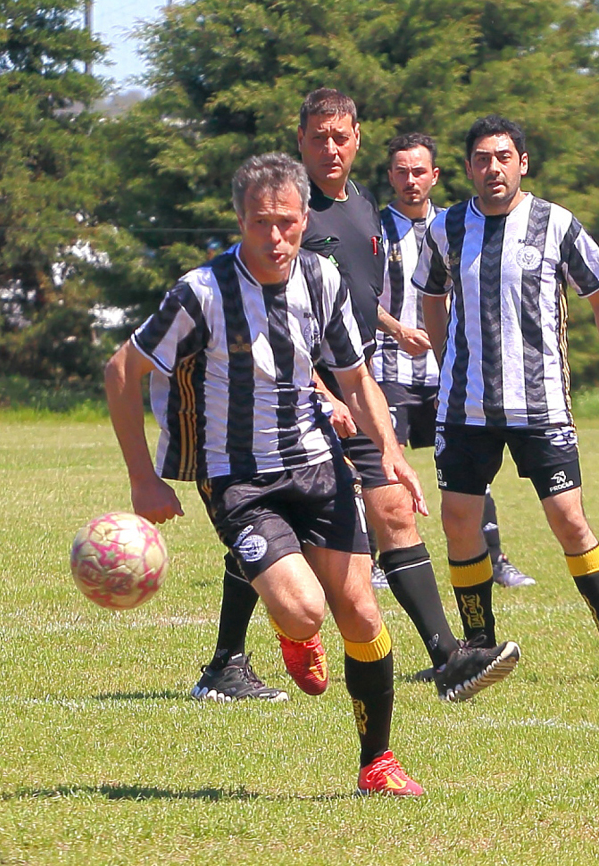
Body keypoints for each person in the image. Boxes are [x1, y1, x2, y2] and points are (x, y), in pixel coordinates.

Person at [105, 151, 426, 795]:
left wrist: (390, 449)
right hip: (238, 478)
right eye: (260, 223)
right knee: (307, 613)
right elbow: (121, 371)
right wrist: (144, 479)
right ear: (240, 221)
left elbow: (354, 377)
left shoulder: (324, 279)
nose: (275, 236)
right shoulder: (201, 292)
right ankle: (294, 631)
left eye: (286, 221)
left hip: (316, 464)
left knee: (361, 611)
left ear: (305, 217)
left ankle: (378, 765)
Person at [192, 89, 520, 704]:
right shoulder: (289, 210)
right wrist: (321, 390)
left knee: (393, 507)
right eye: (318, 136)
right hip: (297, 399)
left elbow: (356, 304)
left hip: (359, 383)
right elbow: (272, 320)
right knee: (272, 516)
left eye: (340, 135)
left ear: (359, 138)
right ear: (300, 141)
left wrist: (395, 332)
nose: (331, 147)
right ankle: (227, 662)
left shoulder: (365, 207)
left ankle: (447, 660)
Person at [415, 114, 599, 649]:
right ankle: (478, 643)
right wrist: (447, 356)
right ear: (468, 168)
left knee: (569, 522)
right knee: (458, 521)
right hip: (463, 406)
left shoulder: (557, 224)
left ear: (522, 162)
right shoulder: (444, 228)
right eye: (481, 159)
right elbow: (431, 294)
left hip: (539, 404)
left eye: (502, 157)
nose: (492, 167)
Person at [373, 132, 535, 589]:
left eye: (419, 171)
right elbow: (355, 295)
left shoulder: (459, 224)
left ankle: (496, 558)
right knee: (386, 466)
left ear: (436, 175)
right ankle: (381, 560)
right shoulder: (377, 229)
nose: (410, 180)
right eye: (401, 172)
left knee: (472, 469)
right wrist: (396, 328)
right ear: (390, 177)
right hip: (391, 369)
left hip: (454, 374)